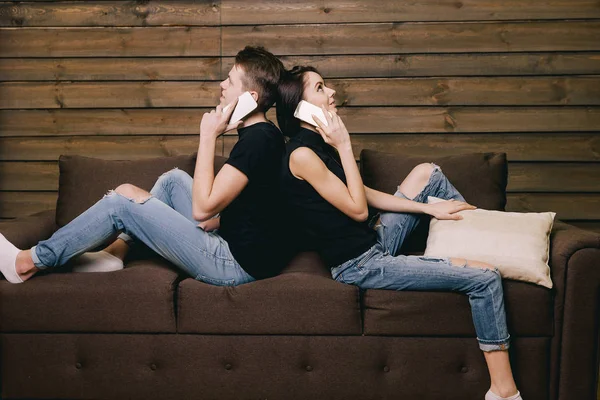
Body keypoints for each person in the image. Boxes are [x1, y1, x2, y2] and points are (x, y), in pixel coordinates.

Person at [276, 66, 523, 400]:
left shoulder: (317, 145)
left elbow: (359, 191)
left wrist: (428, 208)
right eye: (320, 88)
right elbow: (359, 209)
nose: (331, 92)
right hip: (359, 265)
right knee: (485, 278)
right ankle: (504, 392)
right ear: (300, 108)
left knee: (428, 174)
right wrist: (345, 143)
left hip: (374, 242)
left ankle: (479, 241)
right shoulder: (302, 155)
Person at [0, 46, 288, 286]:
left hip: (231, 265)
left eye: (230, 80)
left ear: (250, 98)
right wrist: (223, 221)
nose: (222, 85)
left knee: (121, 203)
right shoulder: (265, 134)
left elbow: (202, 208)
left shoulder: (257, 142)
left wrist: (208, 136)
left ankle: (28, 263)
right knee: (172, 180)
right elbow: (261, 206)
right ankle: (114, 253)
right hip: (243, 250)